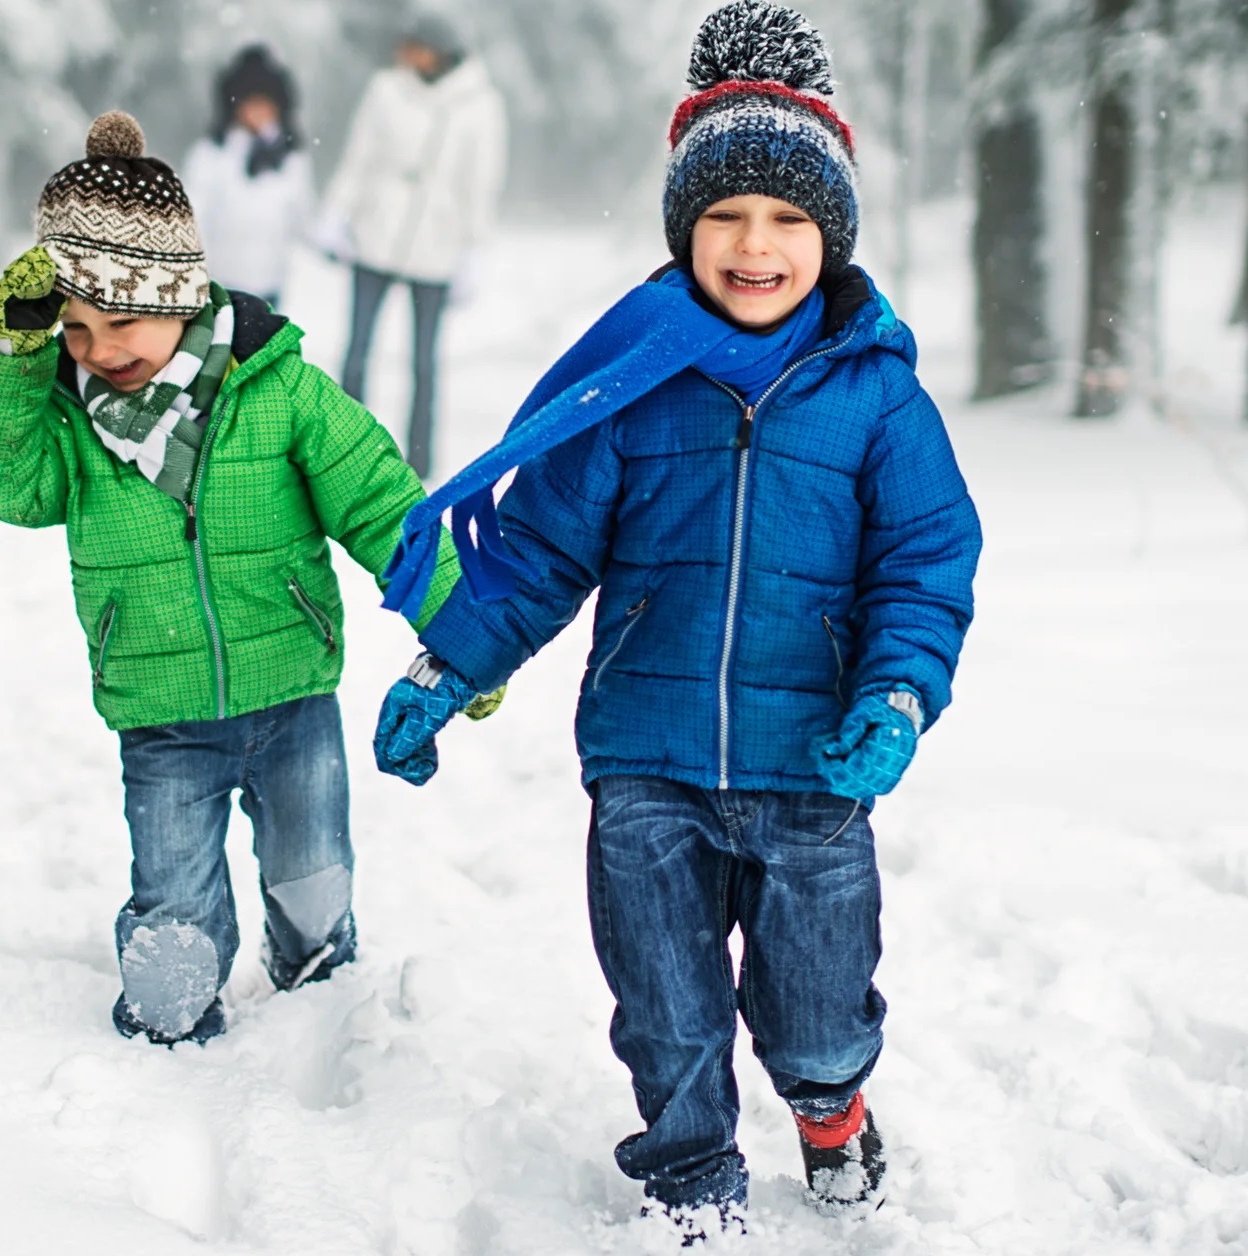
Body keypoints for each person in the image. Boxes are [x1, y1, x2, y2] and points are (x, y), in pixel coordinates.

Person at [369, 0, 982, 1235]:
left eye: (789, 220)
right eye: (725, 218)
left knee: (816, 1003)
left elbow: (925, 565)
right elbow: (540, 547)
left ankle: (827, 1109)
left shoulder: (877, 398)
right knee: (663, 1002)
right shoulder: (634, 382)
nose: (756, 247)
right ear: (684, 228)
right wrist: (451, 663)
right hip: (646, 765)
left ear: (833, 234)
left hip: (815, 768)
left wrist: (898, 692)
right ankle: (693, 1177)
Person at [0, 110, 466, 1047]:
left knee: (313, 877)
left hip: (293, 696)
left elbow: (386, 508)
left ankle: (318, 1002)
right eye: (73, 328)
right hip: (161, 710)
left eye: (124, 319)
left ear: (180, 295)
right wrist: (14, 362)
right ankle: (170, 1018)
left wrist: (471, 632)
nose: (100, 349)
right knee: (173, 902)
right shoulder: (67, 425)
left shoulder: (282, 391)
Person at [313, 13, 508, 480]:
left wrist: (474, 251)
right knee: (357, 350)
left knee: (424, 361)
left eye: (415, 46)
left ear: (439, 51)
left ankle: (420, 462)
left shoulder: (480, 104)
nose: (406, 55)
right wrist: (336, 213)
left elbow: (482, 182)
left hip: (436, 247)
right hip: (376, 234)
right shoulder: (385, 90)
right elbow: (359, 156)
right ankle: (345, 450)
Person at [182, 44, 313, 310]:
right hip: (220, 282)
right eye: (250, 103)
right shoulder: (212, 153)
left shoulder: (290, 158)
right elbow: (193, 213)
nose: (258, 111)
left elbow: (304, 215)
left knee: (263, 350)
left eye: (265, 104)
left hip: (270, 282)